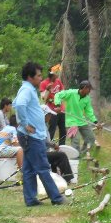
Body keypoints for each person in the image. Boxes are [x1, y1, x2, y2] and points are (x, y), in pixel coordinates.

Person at [13, 62, 69, 207]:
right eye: (38, 75)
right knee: (43, 167)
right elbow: (19, 105)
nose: (41, 78)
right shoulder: (26, 89)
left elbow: (17, 104)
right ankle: (57, 198)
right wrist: (25, 124)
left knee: (29, 169)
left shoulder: (29, 89)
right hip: (30, 136)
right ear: (30, 77)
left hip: (32, 136)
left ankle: (31, 200)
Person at [54, 80, 98, 158]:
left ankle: (82, 155)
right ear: (84, 88)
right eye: (89, 89)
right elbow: (58, 95)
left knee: (91, 139)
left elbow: (89, 111)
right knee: (76, 140)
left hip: (82, 121)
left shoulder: (87, 98)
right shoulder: (71, 93)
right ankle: (75, 159)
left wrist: (95, 122)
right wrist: (58, 105)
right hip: (71, 122)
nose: (90, 91)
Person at [40, 105, 75, 183]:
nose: (50, 117)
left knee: (55, 156)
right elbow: (44, 140)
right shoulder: (40, 125)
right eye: (49, 115)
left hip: (42, 152)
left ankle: (55, 177)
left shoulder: (43, 125)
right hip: (40, 154)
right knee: (61, 155)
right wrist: (54, 145)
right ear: (44, 115)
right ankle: (67, 178)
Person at [39, 64, 66, 144]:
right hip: (51, 110)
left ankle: (62, 147)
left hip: (60, 109)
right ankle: (49, 146)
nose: (57, 75)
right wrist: (47, 90)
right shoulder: (44, 83)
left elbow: (63, 93)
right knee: (52, 129)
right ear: (51, 74)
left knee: (63, 130)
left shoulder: (58, 81)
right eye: (56, 73)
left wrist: (59, 104)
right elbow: (43, 98)